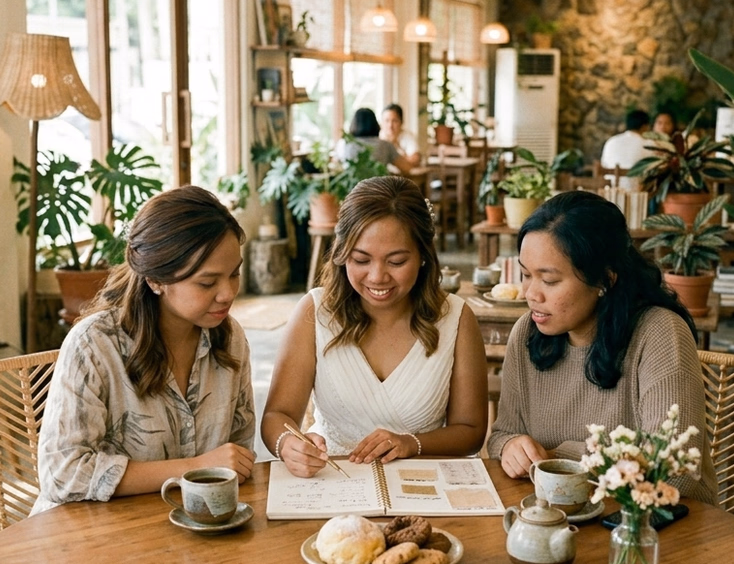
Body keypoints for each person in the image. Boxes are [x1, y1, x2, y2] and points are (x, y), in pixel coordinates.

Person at [32, 185, 256, 514]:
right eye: (207, 282)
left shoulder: (229, 338)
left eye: (234, 274)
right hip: (86, 534)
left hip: (183, 527)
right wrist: (193, 467)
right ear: (156, 280)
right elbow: (63, 474)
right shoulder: (93, 345)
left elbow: (235, 456)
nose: (227, 294)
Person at [486, 190, 718, 505]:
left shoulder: (659, 333)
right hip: (565, 517)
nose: (531, 294)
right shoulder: (526, 333)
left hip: (660, 528)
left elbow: (674, 470)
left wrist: (559, 456)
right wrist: (512, 446)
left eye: (550, 281)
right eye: (526, 275)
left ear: (605, 280)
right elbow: (502, 434)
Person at [261, 176, 488, 478]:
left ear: (422, 256)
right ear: (342, 254)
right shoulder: (315, 312)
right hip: (331, 480)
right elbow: (278, 415)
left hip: (420, 483)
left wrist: (412, 444)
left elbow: (471, 431)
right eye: (361, 260)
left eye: (396, 261)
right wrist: (288, 443)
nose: (377, 277)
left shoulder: (457, 318)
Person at [335, 107, 413, 174]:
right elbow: (406, 168)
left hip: (352, 190)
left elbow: (335, 167)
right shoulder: (385, 145)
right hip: (379, 189)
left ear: (354, 124)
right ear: (376, 124)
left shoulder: (343, 144)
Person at [600, 109, 656, 189]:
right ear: (645, 127)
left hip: (609, 193)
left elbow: (603, 167)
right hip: (636, 195)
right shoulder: (649, 145)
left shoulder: (611, 141)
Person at [380, 103, 421, 167]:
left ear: (401, 122)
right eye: (387, 121)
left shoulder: (407, 136)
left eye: (394, 121)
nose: (390, 126)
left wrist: (395, 145)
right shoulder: (378, 137)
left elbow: (415, 160)